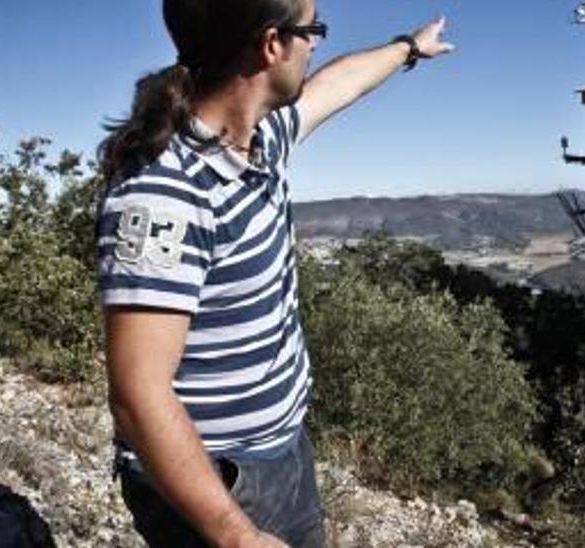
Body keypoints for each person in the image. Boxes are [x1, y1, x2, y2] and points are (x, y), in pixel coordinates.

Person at [94, 1, 454, 546]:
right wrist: (236, 535)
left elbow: (342, 83)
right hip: (215, 481)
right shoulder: (166, 196)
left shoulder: (261, 141)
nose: (318, 45)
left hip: (280, 451)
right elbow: (138, 393)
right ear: (271, 45)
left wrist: (408, 48)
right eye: (314, 31)